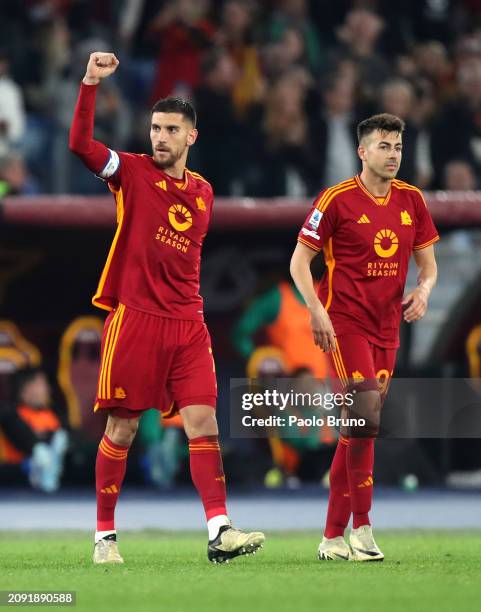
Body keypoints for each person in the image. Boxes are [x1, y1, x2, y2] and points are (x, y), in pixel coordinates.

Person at [69, 52, 265, 565]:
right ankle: (104, 538)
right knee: (123, 430)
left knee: (205, 423)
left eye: (170, 130)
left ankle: (220, 530)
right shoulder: (129, 172)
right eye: (155, 128)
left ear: (190, 137)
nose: (159, 137)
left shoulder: (203, 192)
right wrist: (90, 83)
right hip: (136, 318)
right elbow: (81, 147)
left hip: (188, 325)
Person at [290, 113, 439, 561]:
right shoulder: (335, 200)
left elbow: (429, 266)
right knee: (365, 421)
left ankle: (331, 538)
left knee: (357, 432)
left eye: (397, 146)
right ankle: (363, 530)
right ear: (362, 151)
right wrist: (316, 311)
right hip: (344, 324)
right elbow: (299, 263)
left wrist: (425, 290)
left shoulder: (412, 200)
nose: (393, 154)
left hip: (387, 328)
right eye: (383, 146)